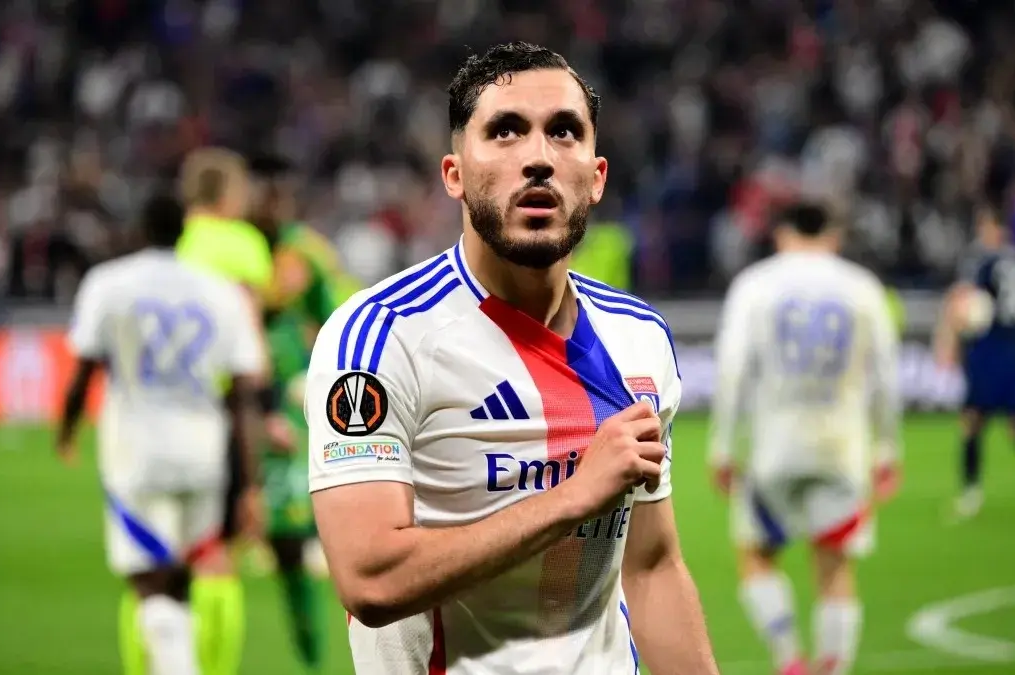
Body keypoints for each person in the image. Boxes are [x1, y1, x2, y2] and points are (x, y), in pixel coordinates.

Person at [305, 42, 718, 674]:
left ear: (597, 177)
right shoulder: (382, 337)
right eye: (505, 131)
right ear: (454, 174)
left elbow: (652, 566)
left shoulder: (640, 338)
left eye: (564, 132)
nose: (538, 157)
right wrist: (575, 496)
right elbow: (370, 581)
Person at [55, 193, 265, 675]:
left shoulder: (108, 283)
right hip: (204, 454)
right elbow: (242, 395)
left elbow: (84, 371)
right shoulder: (220, 292)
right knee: (182, 576)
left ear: (139, 232)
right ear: (183, 233)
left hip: (137, 452)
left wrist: (66, 430)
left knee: (147, 579)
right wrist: (248, 482)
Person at [707, 202, 902, 675]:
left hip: (774, 447)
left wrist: (723, 447)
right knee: (835, 566)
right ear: (833, 236)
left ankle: (790, 660)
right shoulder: (862, 286)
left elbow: (733, 370)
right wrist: (887, 447)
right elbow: (886, 373)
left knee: (757, 555)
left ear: (782, 235)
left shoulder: (755, 284)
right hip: (842, 447)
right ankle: (831, 669)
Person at [248, 153, 362, 672]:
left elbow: (339, 313)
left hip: (294, 401)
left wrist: (319, 369)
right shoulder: (245, 249)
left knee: (290, 536)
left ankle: (314, 655)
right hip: (249, 397)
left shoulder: (304, 251)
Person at [165, 146, 276, 675]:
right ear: (228, 193)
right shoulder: (242, 244)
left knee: (163, 562)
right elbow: (250, 349)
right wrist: (267, 409)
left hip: (166, 413)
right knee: (218, 556)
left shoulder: (174, 245)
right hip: (223, 411)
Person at [934, 201, 1015, 521]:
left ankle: (970, 494)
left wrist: (948, 341)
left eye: (983, 226)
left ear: (993, 227)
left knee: (972, 420)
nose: (981, 233)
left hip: (990, 345)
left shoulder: (983, 261)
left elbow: (962, 304)